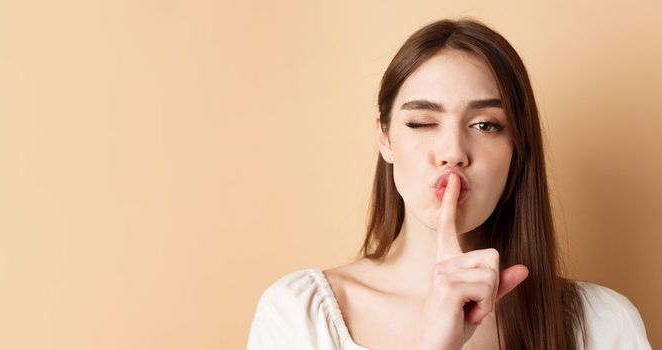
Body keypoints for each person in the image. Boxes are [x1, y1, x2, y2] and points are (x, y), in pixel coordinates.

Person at [246, 18, 652, 350]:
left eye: (485, 125)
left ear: (518, 148)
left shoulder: (601, 325)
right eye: (422, 122)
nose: (453, 152)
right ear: (384, 137)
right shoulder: (299, 313)